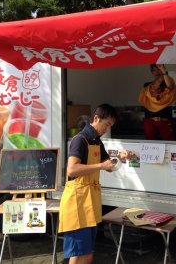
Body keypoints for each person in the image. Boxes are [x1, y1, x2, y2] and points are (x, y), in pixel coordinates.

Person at [59, 103, 128, 264]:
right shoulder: (80, 140)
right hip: (77, 203)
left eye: (111, 126)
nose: (107, 129)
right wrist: (100, 166)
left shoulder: (96, 141)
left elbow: (109, 166)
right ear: (96, 118)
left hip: (90, 203)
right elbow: (72, 169)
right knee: (77, 252)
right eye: (107, 124)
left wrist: (121, 159)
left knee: (88, 253)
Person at [138, 64, 176, 140]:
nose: (157, 72)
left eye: (159, 69)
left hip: (164, 120)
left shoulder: (169, 84)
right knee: (150, 145)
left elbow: (170, 86)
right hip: (150, 121)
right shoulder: (147, 85)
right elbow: (153, 90)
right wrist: (159, 79)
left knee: (169, 144)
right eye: (154, 70)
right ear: (151, 72)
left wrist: (164, 72)